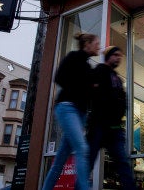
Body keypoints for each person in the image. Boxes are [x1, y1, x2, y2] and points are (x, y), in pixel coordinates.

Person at [42, 33, 100, 190]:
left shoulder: (89, 67)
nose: (99, 46)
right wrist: (82, 87)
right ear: (87, 44)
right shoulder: (73, 57)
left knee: (60, 159)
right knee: (82, 148)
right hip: (67, 107)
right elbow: (59, 77)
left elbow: (90, 94)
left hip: (80, 114)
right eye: (96, 43)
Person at [87, 46, 136, 189]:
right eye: (115, 55)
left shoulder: (118, 79)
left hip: (115, 129)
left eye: (120, 55)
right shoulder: (99, 71)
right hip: (98, 126)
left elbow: (123, 100)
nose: (118, 58)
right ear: (108, 56)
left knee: (122, 162)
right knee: (88, 162)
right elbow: (92, 94)